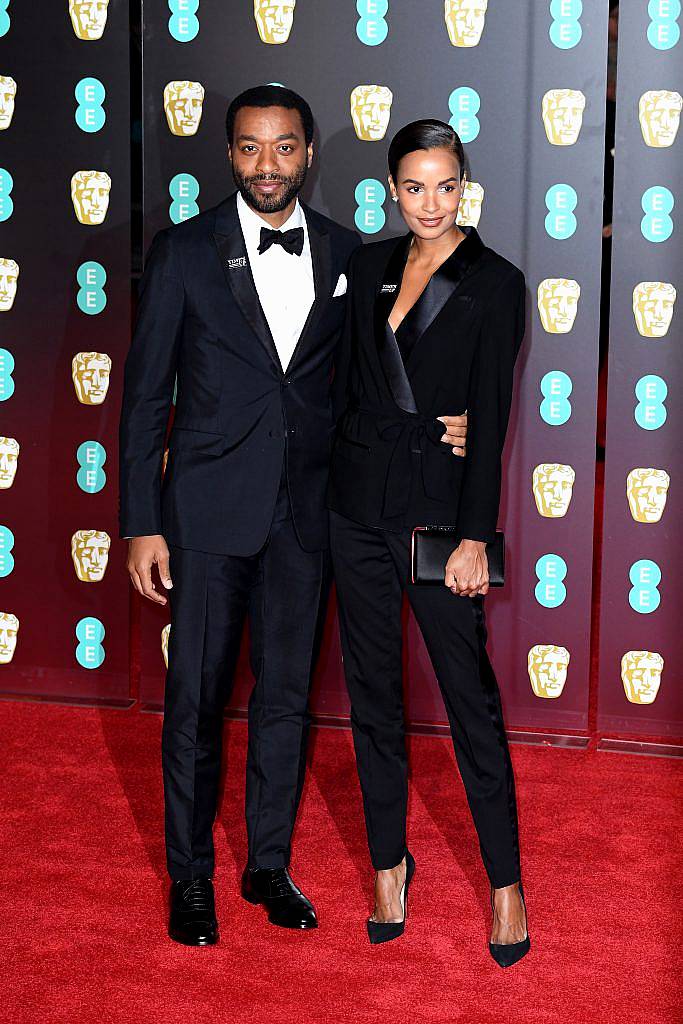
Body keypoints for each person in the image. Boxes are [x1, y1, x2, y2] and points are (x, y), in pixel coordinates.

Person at [119, 84, 470, 946]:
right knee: (195, 700)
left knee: (284, 698)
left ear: (309, 153)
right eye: (248, 148)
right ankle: (190, 874)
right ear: (229, 155)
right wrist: (140, 520)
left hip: (308, 514)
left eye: (283, 148)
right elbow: (141, 398)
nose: (266, 165)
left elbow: (371, 383)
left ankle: (266, 863)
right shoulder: (183, 252)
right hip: (205, 512)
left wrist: (445, 425)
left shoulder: (350, 254)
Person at [328, 119, 530, 966]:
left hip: (438, 520)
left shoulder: (496, 280)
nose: (429, 203)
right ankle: (387, 864)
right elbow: (335, 381)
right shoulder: (365, 265)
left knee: (469, 705)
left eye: (444, 185)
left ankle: (506, 884)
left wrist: (475, 537)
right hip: (355, 511)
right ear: (389, 187)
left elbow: (488, 422)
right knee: (371, 698)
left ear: (464, 187)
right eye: (413, 186)